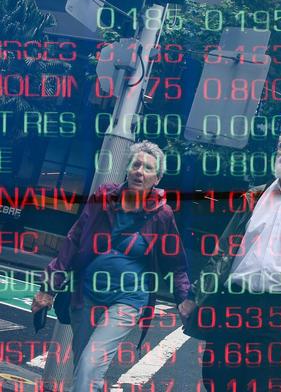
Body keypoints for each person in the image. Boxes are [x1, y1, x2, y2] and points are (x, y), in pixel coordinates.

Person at [31, 141, 194, 392]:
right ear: (127, 169)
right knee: (84, 367)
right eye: (136, 164)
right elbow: (74, 241)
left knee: (89, 365)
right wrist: (48, 287)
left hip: (128, 298)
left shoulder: (162, 214)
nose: (140, 171)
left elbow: (176, 262)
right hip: (86, 294)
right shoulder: (103, 198)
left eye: (148, 168)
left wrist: (184, 297)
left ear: (157, 178)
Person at [185, 126, 281, 392]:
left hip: (279, 314)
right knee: (217, 380)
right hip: (232, 304)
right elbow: (222, 252)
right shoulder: (254, 196)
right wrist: (195, 295)